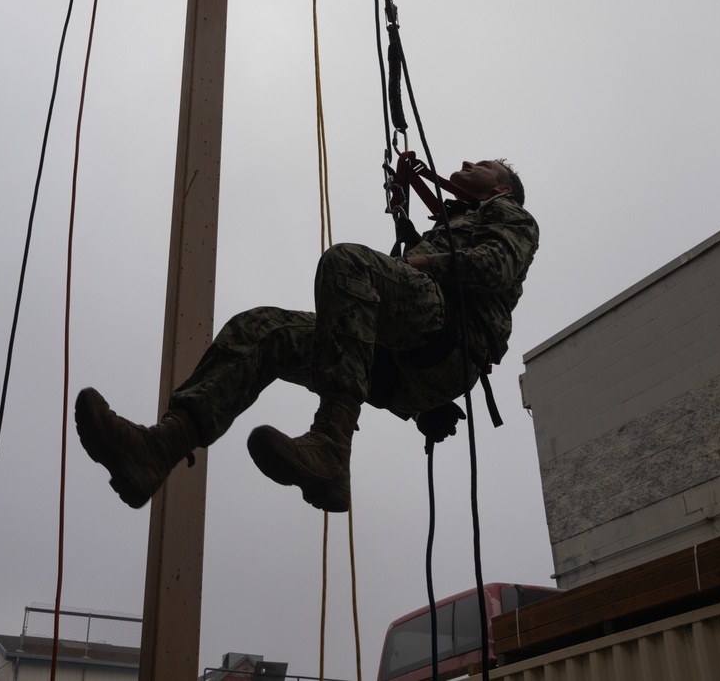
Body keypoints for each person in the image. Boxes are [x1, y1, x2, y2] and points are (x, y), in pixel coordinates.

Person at [75, 159, 538, 514]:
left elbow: (496, 266)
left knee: (348, 263)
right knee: (263, 329)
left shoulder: (510, 215)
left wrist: (416, 264)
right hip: (395, 360)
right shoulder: (449, 225)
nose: (465, 167)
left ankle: (332, 447)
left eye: (481, 166)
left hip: (448, 340)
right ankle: (160, 448)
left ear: (500, 188)